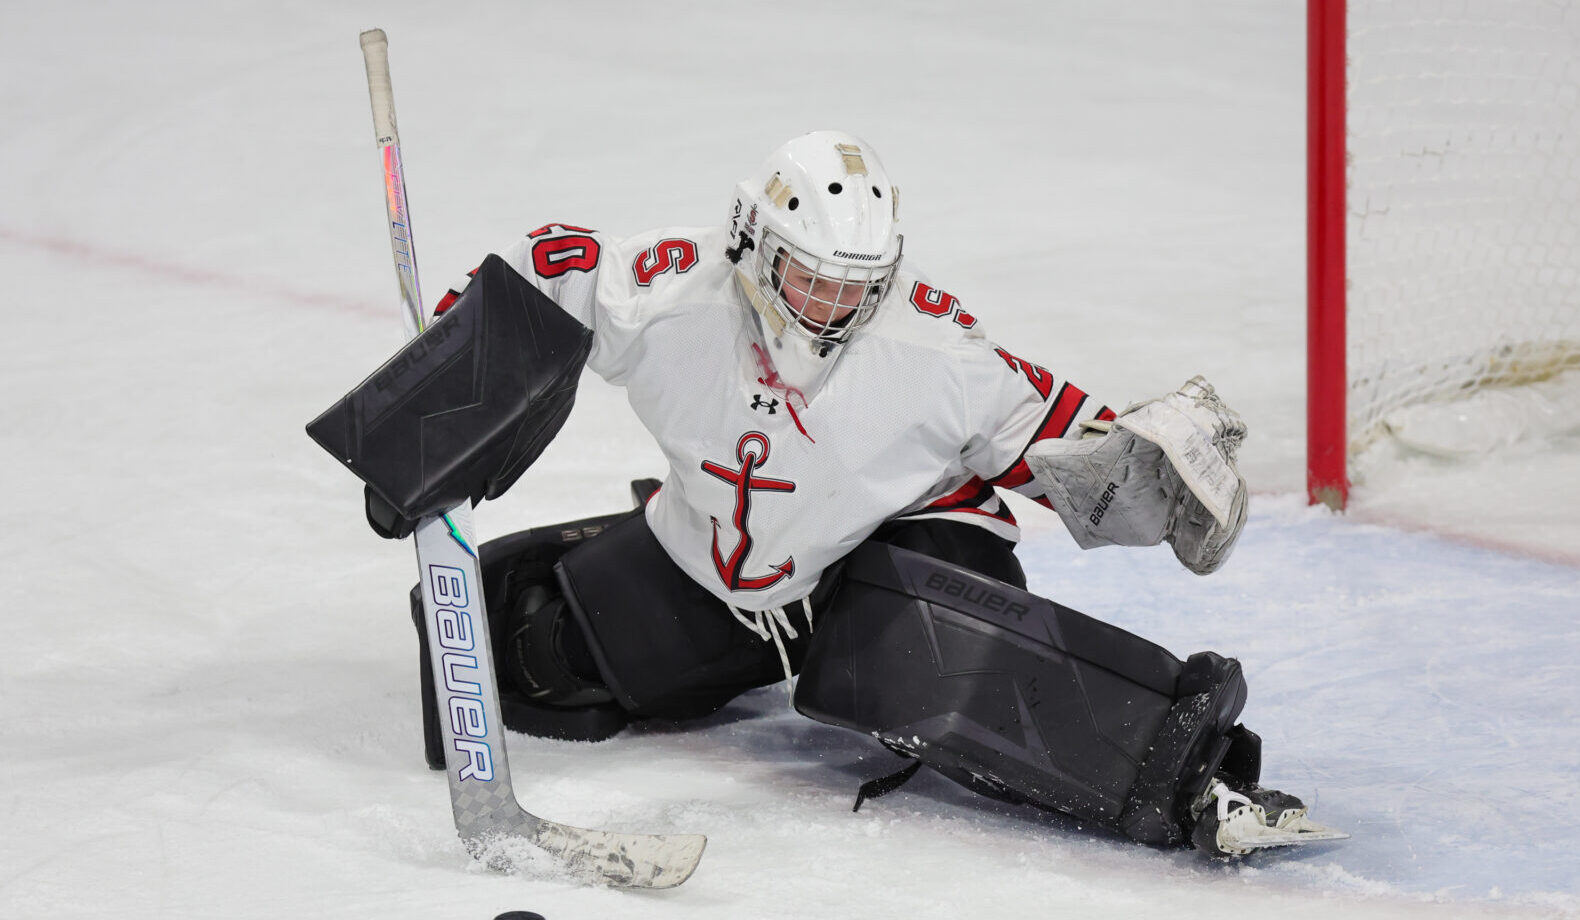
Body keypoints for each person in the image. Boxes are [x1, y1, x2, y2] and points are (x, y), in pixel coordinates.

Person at [345, 130, 1342, 857]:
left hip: (893, 544)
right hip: (718, 558)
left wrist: (1155, 473)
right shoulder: (672, 291)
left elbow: (1057, 436)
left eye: (858, 285)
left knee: (932, 661)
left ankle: (1179, 770)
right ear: (753, 240)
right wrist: (438, 399)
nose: (834, 306)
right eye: (812, 278)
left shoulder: (932, 347)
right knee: (535, 654)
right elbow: (550, 271)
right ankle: (700, 617)